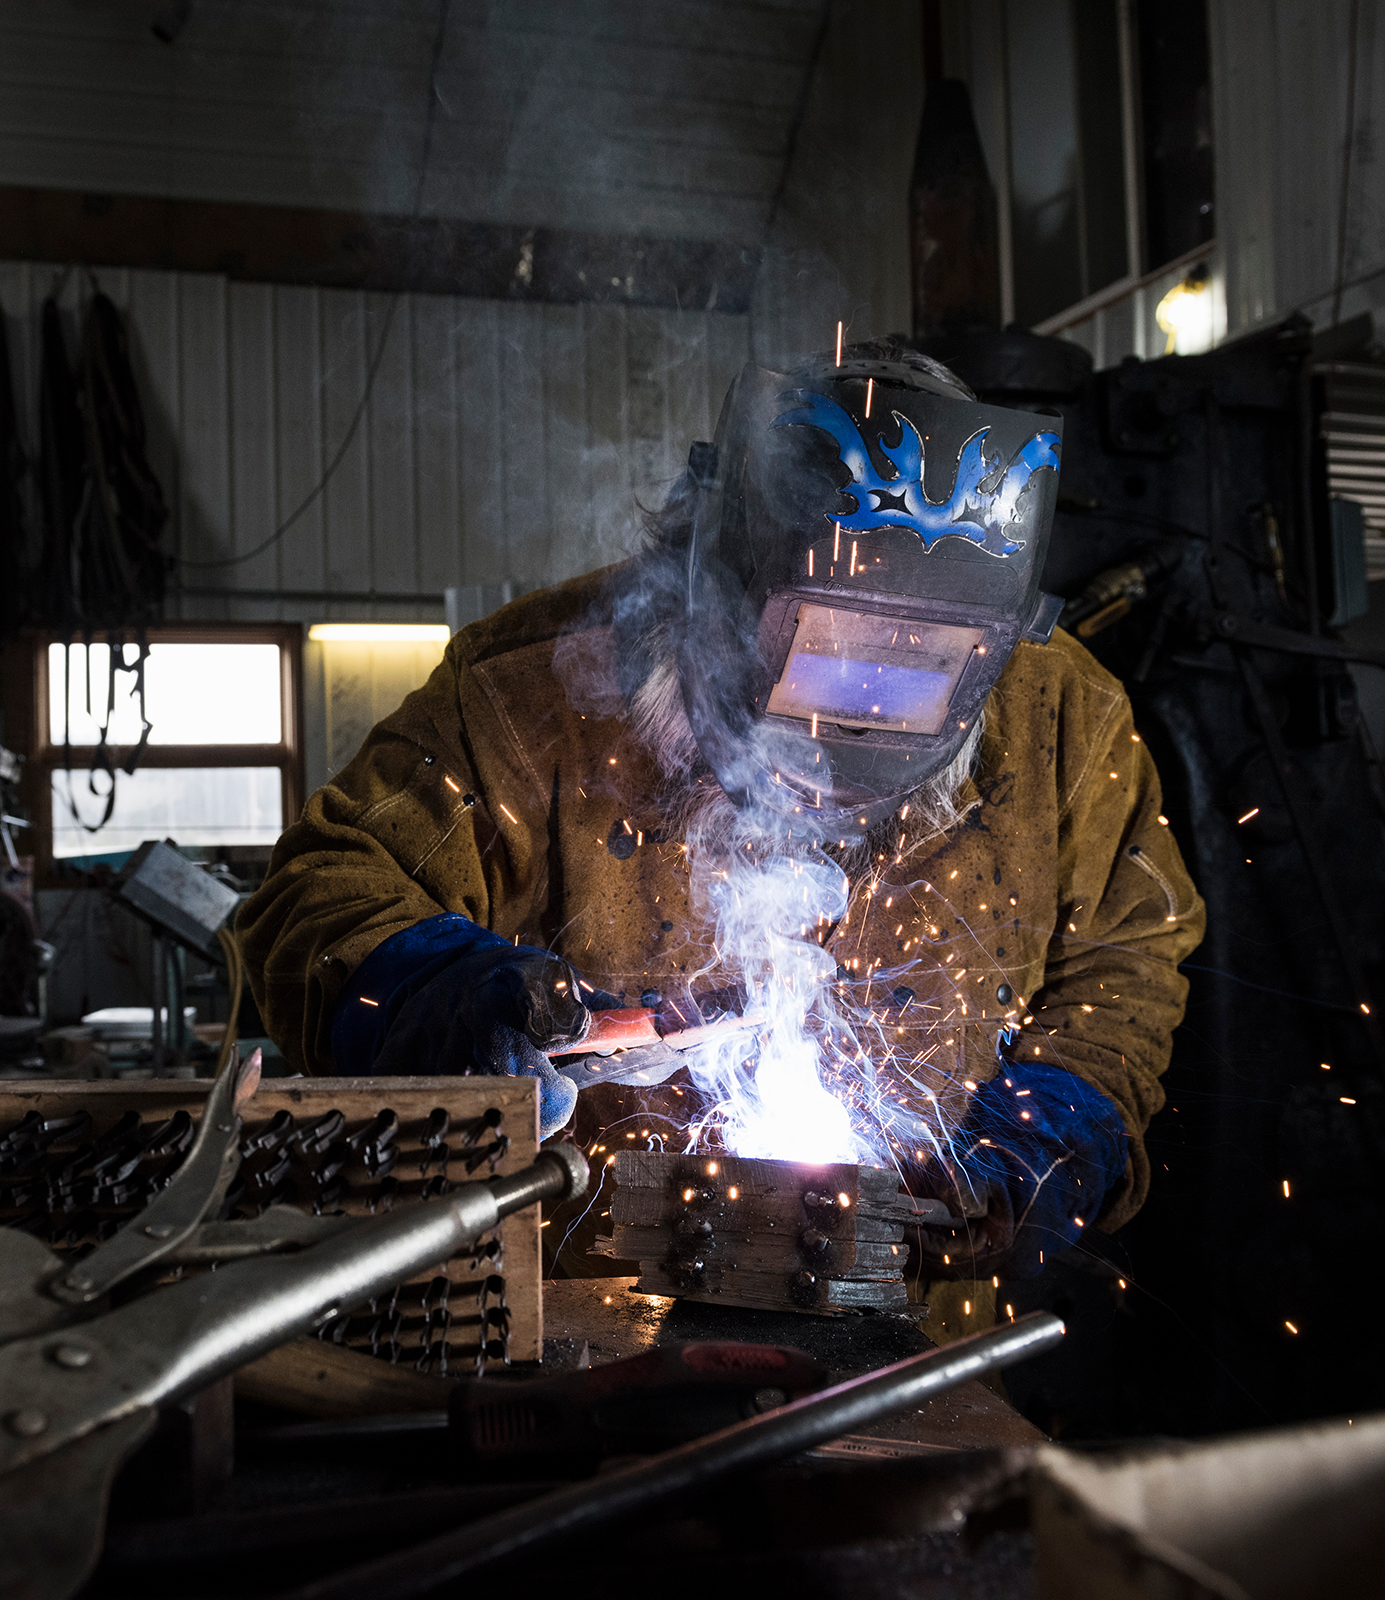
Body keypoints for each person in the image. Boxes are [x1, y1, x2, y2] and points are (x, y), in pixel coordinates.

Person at [238, 340, 1205, 1285]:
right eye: (828, 652)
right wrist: (434, 993)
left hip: (913, 1330)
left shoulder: (1065, 721)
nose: (859, 714)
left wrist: (1042, 1132)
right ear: (714, 596)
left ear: (990, 654)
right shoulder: (532, 698)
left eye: (919, 666)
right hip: (587, 1316)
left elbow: (1125, 958)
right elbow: (312, 895)